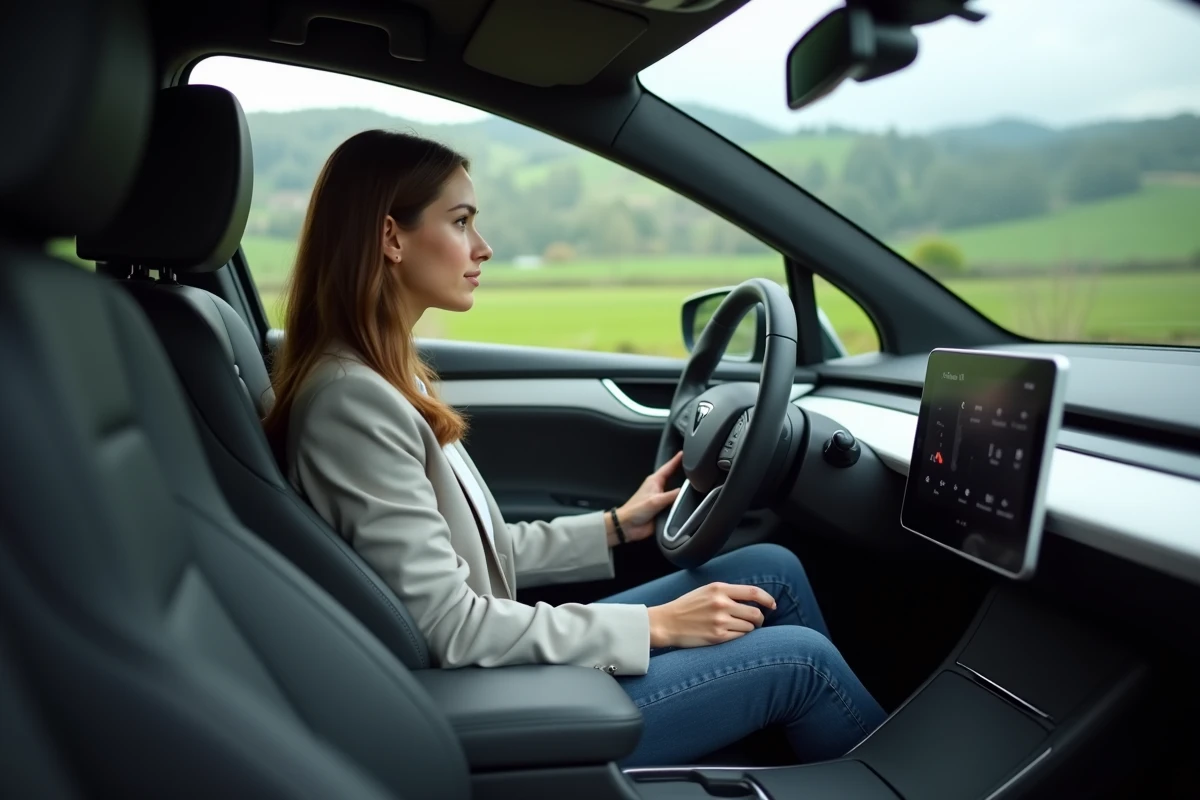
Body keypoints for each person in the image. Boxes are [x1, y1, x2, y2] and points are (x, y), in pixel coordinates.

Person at [262, 129, 886, 766]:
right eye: (461, 221)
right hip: (473, 697)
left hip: (487, 663)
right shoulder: (353, 403)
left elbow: (483, 552)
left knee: (770, 570)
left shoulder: (390, 376)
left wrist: (616, 526)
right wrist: (658, 626)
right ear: (391, 237)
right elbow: (452, 628)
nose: (483, 246)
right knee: (802, 665)